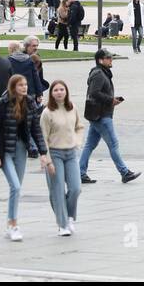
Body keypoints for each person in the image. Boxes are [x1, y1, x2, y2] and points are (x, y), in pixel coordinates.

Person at [0, 74, 49, 242]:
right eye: (21, 85)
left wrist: (43, 152)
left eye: (26, 84)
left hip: (21, 148)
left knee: (16, 188)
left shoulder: (29, 102)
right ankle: (14, 225)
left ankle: (10, 224)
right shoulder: (2, 103)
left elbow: (36, 129)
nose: (24, 87)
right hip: (5, 149)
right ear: (13, 87)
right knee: (15, 186)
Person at [80, 50, 141, 184]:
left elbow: (97, 93)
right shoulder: (99, 74)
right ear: (100, 60)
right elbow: (94, 93)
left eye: (111, 58)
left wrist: (111, 100)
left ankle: (80, 173)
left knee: (90, 145)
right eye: (108, 58)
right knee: (113, 144)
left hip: (98, 114)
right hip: (101, 115)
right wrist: (110, 100)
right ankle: (124, 172)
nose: (111, 60)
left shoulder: (101, 73)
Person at [40, 79, 84, 236]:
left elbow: (79, 127)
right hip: (54, 153)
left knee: (75, 188)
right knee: (57, 190)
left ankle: (69, 216)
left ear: (66, 92)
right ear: (51, 93)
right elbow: (42, 137)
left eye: (62, 89)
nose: (59, 92)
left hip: (71, 153)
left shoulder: (72, 108)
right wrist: (47, 159)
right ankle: (62, 224)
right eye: (56, 90)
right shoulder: (47, 112)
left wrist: (77, 142)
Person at [9, 38, 45, 103]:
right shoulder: (28, 59)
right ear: (26, 46)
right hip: (24, 93)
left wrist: (39, 94)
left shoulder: (36, 58)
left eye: (37, 45)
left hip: (29, 93)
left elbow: (38, 77)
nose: (36, 48)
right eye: (34, 46)